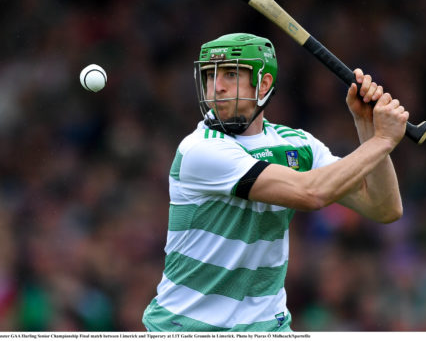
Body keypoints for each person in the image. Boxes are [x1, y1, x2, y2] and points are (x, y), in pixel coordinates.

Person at [142, 33, 409, 331]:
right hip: (189, 328)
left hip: (267, 327)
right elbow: (311, 192)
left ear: (264, 84)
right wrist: (382, 140)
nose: (216, 86)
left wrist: (367, 127)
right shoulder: (201, 150)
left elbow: (384, 208)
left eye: (231, 74)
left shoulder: (298, 144)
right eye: (209, 76)